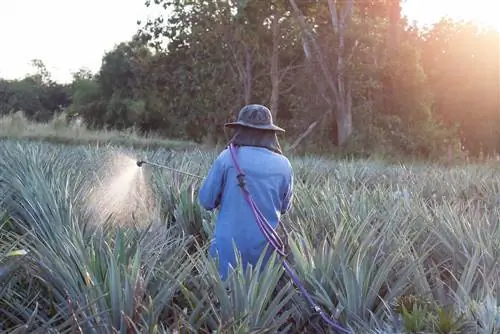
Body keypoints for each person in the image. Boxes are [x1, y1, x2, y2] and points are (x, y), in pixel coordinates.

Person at [198, 104, 294, 280]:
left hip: (226, 253)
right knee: (259, 304)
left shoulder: (227, 158)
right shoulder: (284, 165)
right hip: (265, 252)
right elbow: (285, 207)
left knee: (221, 302)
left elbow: (206, 201)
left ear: (240, 130)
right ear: (270, 133)